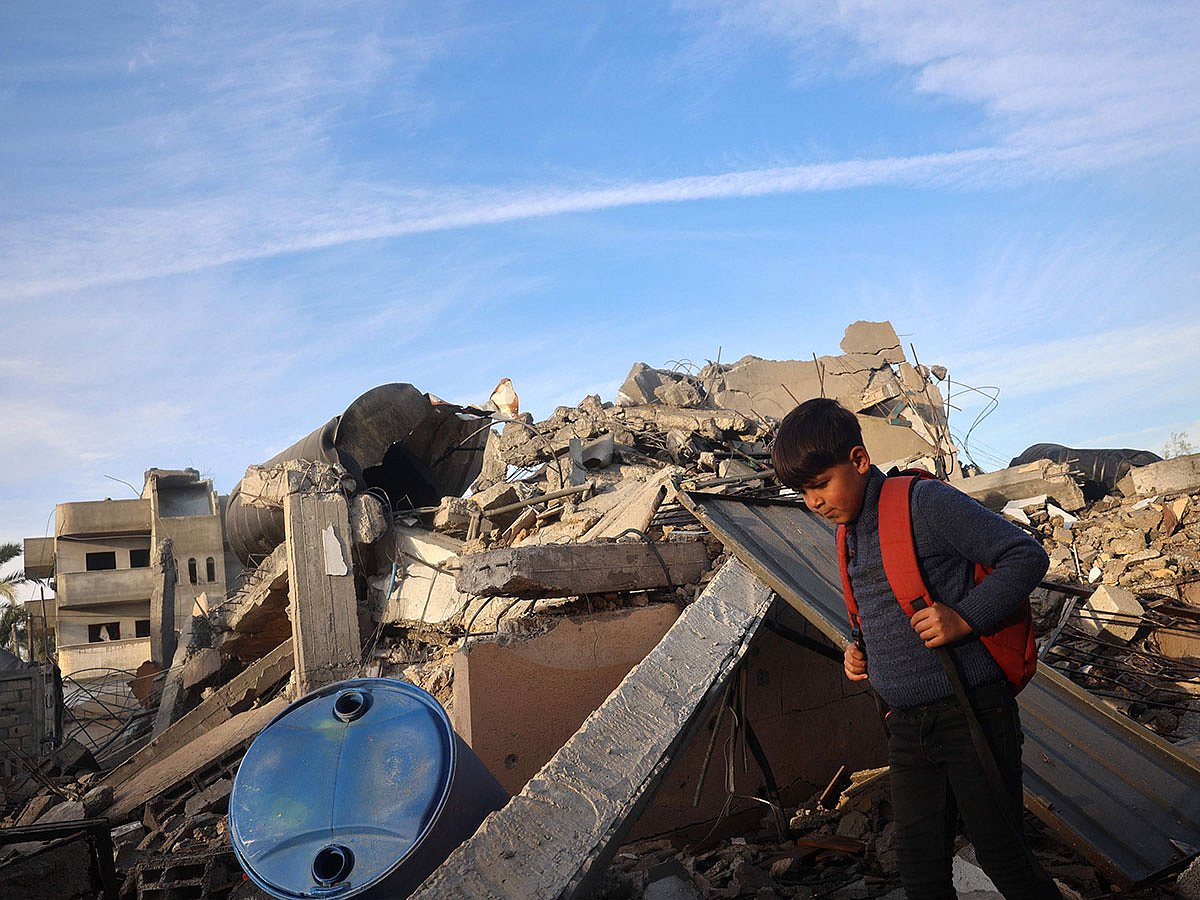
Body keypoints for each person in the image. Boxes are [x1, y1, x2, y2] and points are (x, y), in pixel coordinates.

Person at [772, 398, 1062, 900]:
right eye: (803, 491)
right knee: (919, 865)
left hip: (970, 710)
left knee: (1001, 854)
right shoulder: (848, 532)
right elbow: (884, 608)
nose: (812, 501)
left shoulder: (924, 504)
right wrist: (860, 651)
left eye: (820, 484)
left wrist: (964, 617)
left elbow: (1025, 555)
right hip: (907, 723)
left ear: (860, 461)